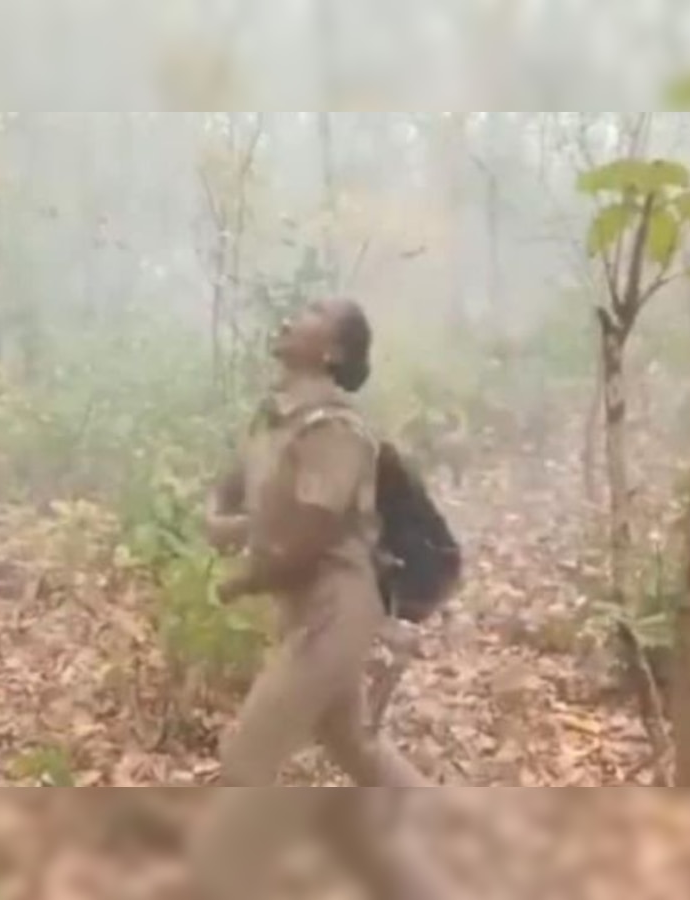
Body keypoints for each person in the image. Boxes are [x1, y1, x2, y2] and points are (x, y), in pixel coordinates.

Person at [189, 297, 447, 900]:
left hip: (337, 611)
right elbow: (231, 491)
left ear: (331, 352)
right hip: (305, 608)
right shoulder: (276, 418)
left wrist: (241, 572)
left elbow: (309, 534)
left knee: (246, 762)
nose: (287, 317)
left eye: (309, 312)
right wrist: (224, 519)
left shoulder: (337, 428)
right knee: (352, 742)